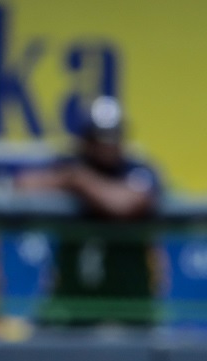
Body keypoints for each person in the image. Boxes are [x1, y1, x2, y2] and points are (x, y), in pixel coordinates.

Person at [15, 96, 161, 328]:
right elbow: (23, 186)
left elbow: (125, 204)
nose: (107, 145)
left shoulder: (136, 169)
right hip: (73, 303)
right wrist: (72, 179)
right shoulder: (70, 165)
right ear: (86, 140)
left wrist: (81, 183)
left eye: (113, 137)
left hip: (128, 306)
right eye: (99, 138)